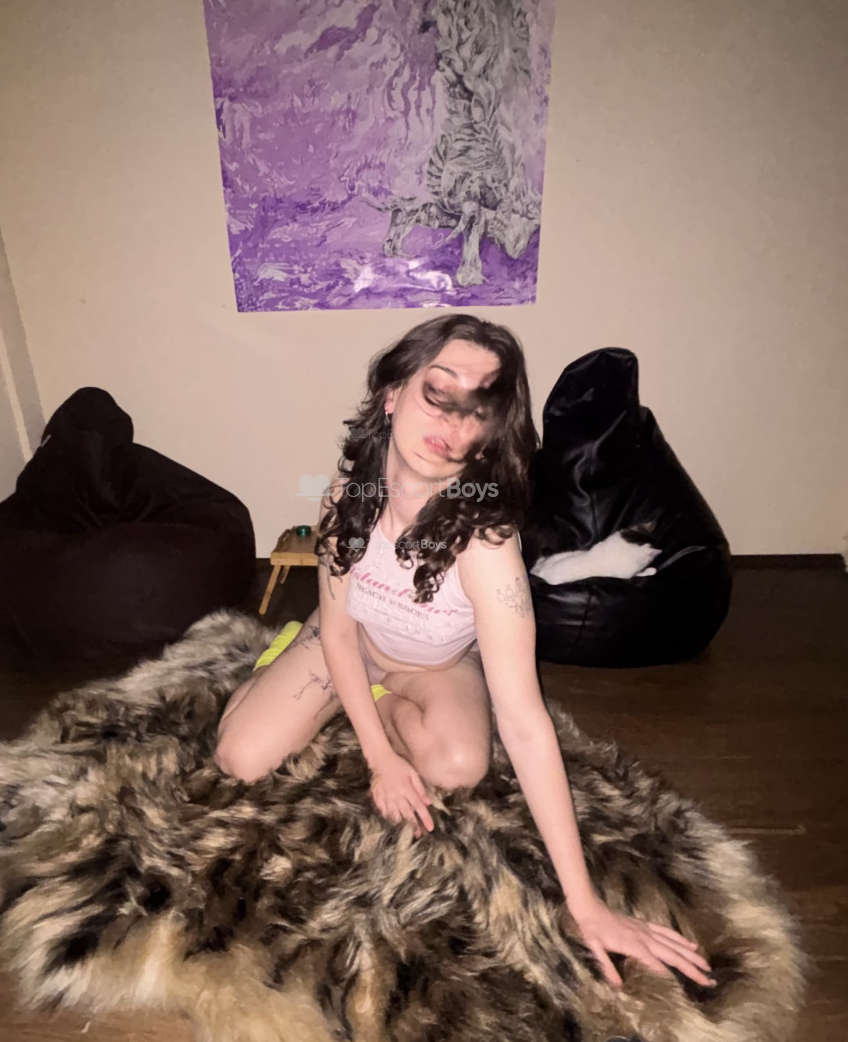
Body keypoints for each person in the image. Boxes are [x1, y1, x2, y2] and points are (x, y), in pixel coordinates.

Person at [215, 313, 714, 991]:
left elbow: (527, 724)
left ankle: (374, 702)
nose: (453, 422)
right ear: (393, 393)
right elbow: (337, 632)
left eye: (478, 407)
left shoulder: (488, 545)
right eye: (438, 391)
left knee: (461, 766)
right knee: (239, 757)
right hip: (349, 641)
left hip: (438, 664)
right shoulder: (345, 497)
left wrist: (586, 905)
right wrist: (381, 759)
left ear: (490, 431)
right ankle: (298, 670)